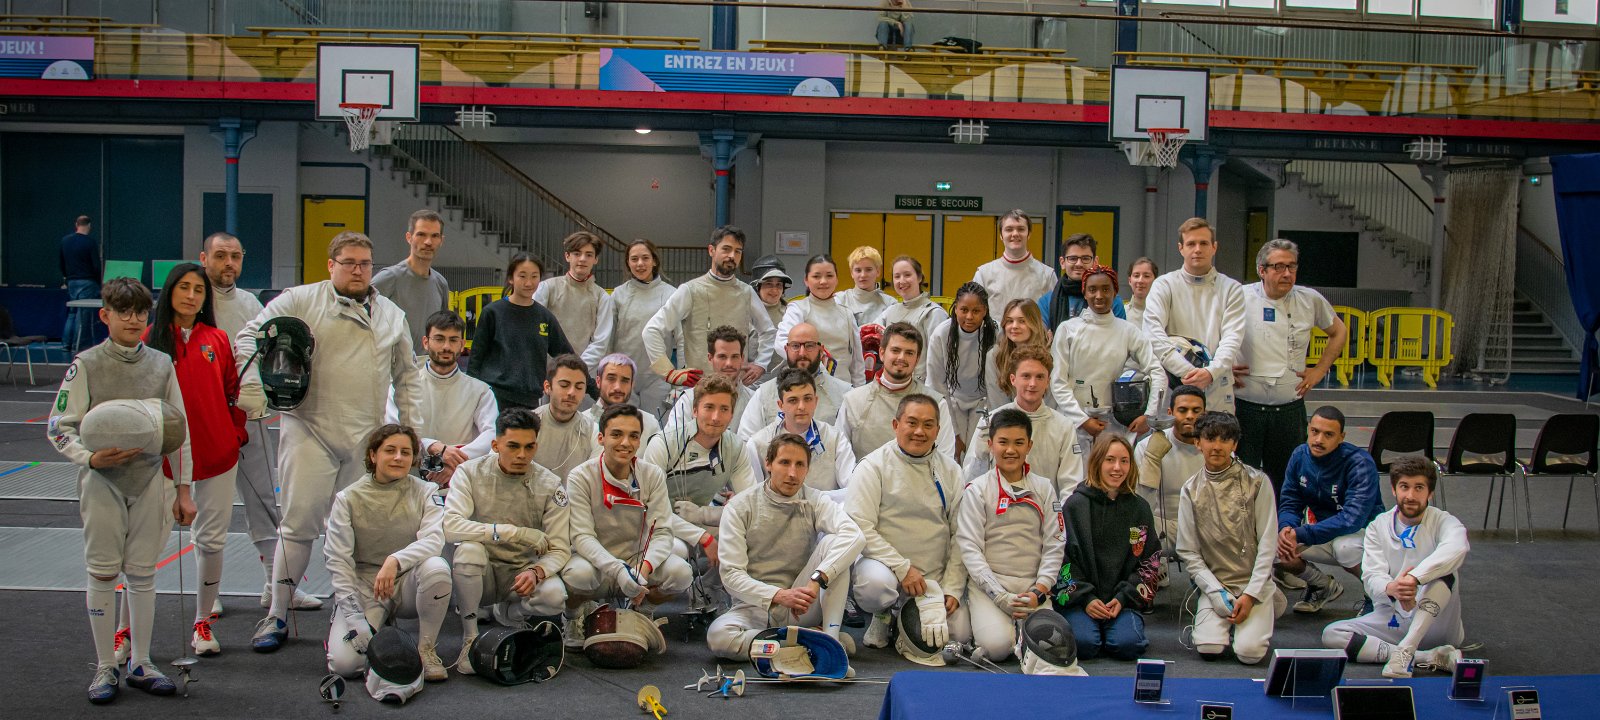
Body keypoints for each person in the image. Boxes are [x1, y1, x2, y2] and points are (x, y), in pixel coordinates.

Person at [237, 231, 423, 653]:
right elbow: (249, 337)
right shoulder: (300, 299)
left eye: (365, 263)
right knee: (297, 526)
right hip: (310, 430)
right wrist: (254, 384)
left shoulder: (391, 314)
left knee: (359, 533)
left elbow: (407, 378)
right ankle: (277, 614)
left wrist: (412, 434)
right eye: (349, 263)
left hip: (365, 440)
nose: (358, 270)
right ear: (331, 265)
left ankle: (352, 612)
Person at [51, 278, 195, 703]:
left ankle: (141, 662)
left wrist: (183, 490)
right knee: (102, 572)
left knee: (143, 572)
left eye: (140, 312)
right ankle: (104, 666)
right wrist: (89, 458)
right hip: (102, 482)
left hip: (151, 480)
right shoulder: (86, 364)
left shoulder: (161, 364)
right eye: (124, 312)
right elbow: (59, 427)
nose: (133, 320)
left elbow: (180, 431)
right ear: (106, 315)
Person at [202, 232, 320, 612]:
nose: (228, 263)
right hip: (205, 423)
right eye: (221, 255)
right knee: (209, 509)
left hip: (248, 417)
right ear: (204, 258)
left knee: (265, 502)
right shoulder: (193, 300)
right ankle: (209, 594)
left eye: (235, 256)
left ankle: (277, 587)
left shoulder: (250, 304)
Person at [143, 263, 244, 657]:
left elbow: (233, 392)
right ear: (169, 292)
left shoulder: (216, 339)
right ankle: (128, 632)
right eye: (183, 287)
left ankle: (203, 624)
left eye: (198, 290)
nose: (190, 295)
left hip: (217, 454)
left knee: (212, 540)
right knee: (147, 545)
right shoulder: (150, 340)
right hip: (163, 459)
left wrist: (234, 433)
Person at [710, 433, 866, 659]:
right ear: (768, 464)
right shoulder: (739, 507)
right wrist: (779, 595)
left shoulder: (815, 500)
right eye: (784, 462)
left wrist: (816, 581)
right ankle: (807, 642)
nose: (792, 473)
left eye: (800, 464)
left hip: (802, 605)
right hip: (755, 607)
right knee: (718, 637)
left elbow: (855, 536)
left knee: (836, 545)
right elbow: (731, 575)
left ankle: (830, 642)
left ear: (807, 469)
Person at [443, 408, 571, 675]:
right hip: (483, 573)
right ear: (495, 445)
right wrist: (515, 532)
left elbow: (560, 548)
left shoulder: (550, 484)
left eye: (529, 447)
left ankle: (511, 614)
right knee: (468, 551)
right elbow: (451, 527)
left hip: (520, 573)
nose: (521, 455)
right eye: (513, 446)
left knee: (555, 597)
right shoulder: (469, 472)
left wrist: (537, 571)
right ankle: (470, 638)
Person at [323, 425, 452, 686]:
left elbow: (433, 540)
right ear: (373, 455)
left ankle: (425, 649)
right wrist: (355, 618)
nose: (398, 458)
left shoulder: (426, 491)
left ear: (413, 458)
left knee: (437, 567)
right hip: (367, 586)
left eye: (406, 452)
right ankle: (368, 620)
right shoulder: (348, 498)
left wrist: (395, 560)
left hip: (408, 582)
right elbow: (338, 560)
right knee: (346, 665)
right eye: (390, 450)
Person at [1321, 457, 1467, 679]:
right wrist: (1393, 588)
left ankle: (1408, 647)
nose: (1410, 496)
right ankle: (1424, 656)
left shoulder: (1444, 522)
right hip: (1393, 619)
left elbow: (1457, 548)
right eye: (1404, 487)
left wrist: (1415, 579)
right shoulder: (1377, 526)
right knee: (1332, 634)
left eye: (1419, 488)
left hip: (1437, 624)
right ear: (1394, 489)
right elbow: (1371, 577)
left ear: (1430, 493)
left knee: (1445, 572)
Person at [846, 394, 971, 652]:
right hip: (887, 569)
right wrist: (903, 568)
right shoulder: (872, 466)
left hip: (932, 576)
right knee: (875, 587)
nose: (919, 431)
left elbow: (961, 534)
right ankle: (884, 614)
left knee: (959, 634)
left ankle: (906, 617)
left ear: (938, 429)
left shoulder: (951, 471)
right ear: (896, 425)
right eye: (912, 423)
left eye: (928, 425)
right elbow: (860, 527)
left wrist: (952, 588)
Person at [561, 404, 693, 647]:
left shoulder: (652, 475)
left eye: (633, 436)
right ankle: (573, 615)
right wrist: (618, 570)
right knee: (576, 575)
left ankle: (642, 609)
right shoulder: (580, 476)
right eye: (616, 434)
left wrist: (644, 568)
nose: (625, 443)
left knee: (681, 574)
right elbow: (582, 537)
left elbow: (662, 531)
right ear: (601, 438)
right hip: (596, 561)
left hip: (636, 560)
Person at [1235, 239, 1348, 489]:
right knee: (1242, 481)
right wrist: (1221, 368)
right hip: (1245, 406)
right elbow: (1212, 334)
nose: (1287, 273)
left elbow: (1339, 332)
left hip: (1288, 408)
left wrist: (1319, 370)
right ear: (1262, 270)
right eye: (1279, 267)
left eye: (1292, 266)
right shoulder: (1239, 297)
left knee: (1287, 481)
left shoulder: (1310, 299)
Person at [955, 409, 1065, 662]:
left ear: (1029, 446)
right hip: (991, 589)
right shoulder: (977, 490)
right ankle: (990, 626)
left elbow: (1055, 543)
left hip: (1032, 588)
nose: (1010, 450)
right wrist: (999, 595)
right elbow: (970, 549)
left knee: (1049, 648)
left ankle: (1022, 628)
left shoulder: (1044, 488)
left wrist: (1039, 590)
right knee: (997, 648)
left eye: (1018, 443)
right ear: (991, 444)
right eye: (1003, 442)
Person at [1177, 412, 1285, 665]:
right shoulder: (1190, 489)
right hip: (1217, 584)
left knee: (1250, 654)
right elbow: (1188, 551)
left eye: (1225, 439)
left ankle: (1269, 600)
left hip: (1253, 583)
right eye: (1210, 438)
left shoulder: (1257, 482)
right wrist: (1215, 593)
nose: (1217, 446)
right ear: (1198, 442)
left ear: (1234, 444)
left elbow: (1268, 544)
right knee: (1209, 647)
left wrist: (1250, 595)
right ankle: (1229, 616)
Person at [1051, 434, 1159, 661]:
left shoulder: (1140, 508)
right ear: (1097, 462)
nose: (1117, 468)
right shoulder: (1075, 506)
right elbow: (1062, 559)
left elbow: (1149, 563)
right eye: (1110, 460)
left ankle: (1116, 627)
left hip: (1121, 601)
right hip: (1080, 600)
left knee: (1128, 646)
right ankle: (1090, 626)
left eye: (1124, 461)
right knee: (1084, 645)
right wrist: (1086, 598)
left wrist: (1124, 597)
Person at [642, 376, 755, 573]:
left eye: (724, 409)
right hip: (655, 525)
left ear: (732, 414)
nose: (716, 417)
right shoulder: (664, 444)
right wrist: (702, 537)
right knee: (677, 551)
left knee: (750, 539)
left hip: (697, 521)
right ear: (695, 410)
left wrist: (727, 509)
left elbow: (750, 504)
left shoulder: (735, 448)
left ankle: (716, 588)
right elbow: (650, 509)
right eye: (709, 407)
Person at [1277, 406, 1384, 614]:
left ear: (1341, 437)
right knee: (1272, 548)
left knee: (1345, 548)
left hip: (1363, 534)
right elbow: (1290, 501)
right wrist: (1287, 529)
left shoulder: (1359, 463)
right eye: (1315, 431)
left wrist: (1300, 533)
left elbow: (1352, 520)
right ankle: (1322, 585)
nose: (1319, 440)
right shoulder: (1299, 456)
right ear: (1308, 429)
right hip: (1323, 531)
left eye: (1328, 435)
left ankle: (1377, 596)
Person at [643, 225, 775, 391]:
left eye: (738, 251)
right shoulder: (690, 290)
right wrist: (669, 373)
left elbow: (769, 331)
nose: (732, 256)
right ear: (711, 250)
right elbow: (651, 330)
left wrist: (761, 364)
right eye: (726, 249)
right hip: (700, 390)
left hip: (735, 390)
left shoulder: (746, 292)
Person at [1051, 265, 1164, 446]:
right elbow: (1058, 381)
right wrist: (1082, 420)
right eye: (1092, 289)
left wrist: (1149, 414)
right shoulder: (1067, 330)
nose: (1099, 295)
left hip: (1112, 425)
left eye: (1105, 289)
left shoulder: (1128, 331)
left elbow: (1157, 371)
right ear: (1084, 293)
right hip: (1071, 422)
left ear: (1115, 292)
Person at [1144, 217, 1246, 415]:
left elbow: (1232, 338)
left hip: (1216, 386)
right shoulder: (1164, 285)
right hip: (1176, 383)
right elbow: (1153, 334)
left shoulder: (1231, 288)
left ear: (1214, 247)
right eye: (1191, 244)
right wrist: (1187, 372)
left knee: (1216, 435)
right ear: (1180, 248)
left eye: (1204, 243)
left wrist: (1211, 372)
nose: (1197, 249)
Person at [393, 310, 497, 490]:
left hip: (460, 481)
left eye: (453, 340)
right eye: (439, 339)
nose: (446, 347)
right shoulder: (403, 386)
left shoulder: (481, 391)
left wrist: (454, 461)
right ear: (426, 342)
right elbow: (392, 429)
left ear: (462, 344)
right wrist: (431, 445)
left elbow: (492, 433)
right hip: (409, 477)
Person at [963, 346, 1084, 496]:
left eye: (1039, 377)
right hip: (996, 507)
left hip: (1046, 508)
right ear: (1013, 379)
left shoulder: (1063, 426)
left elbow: (1071, 484)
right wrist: (980, 459)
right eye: (1026, 376)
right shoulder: (990, 422)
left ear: (1048, 381)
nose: (1033, 384)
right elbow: (969, 482)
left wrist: (1057, 511)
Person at [468, 253, 575, 411]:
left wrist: (594, 389)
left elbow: (567, 356)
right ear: (511, 278)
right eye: (522, 276)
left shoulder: (544, 317)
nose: (528, 283)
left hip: (529, 401)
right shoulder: (492, 313)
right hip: (493, 399)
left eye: (534, 276)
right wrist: (471, 398)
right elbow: (476, 359)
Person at [836, 323, 956, 461]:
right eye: (895, 350)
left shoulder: (936, 404)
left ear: (917, 359)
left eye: (909, 353)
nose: (901, 358)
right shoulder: (853, 400)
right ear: (882, 353)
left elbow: (946, 460)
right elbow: (840, 455)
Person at [584, 239, 676, 418]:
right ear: (628, 263)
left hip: (657, 378)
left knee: (656, 429)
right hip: (623, 376)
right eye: (634, 259)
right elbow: (607, 339)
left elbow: (681, 340)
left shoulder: (671, 294)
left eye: (645, 258)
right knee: (621, 425)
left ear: (654, 261)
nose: (640, 263)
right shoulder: (618, 294)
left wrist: (678, 384)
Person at [744, 369, 856, 499]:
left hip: (824, 510)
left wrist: (814, 500)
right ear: (781, 405)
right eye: (793, 400)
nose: (801, 406)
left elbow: (852, 488)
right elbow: (753, 495)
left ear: (816, 401)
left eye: (807, 399)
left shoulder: (835, 439)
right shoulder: (758, 444)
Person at [738, 321, 853, 437]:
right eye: (795, 346)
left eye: (809, 346)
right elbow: (747, 439)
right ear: (786, 349)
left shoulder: (844, 393)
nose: (802, 353)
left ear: (821, 350)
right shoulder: (764, 394)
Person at [928, 282, 998, 460]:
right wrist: (955, 433)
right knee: (952, 455)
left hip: (984, 402)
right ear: (955, 309)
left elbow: (997, 385)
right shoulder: (941, 334)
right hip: (952, 401)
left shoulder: (996, 333)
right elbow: (936, 386)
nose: (969, 317)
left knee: (978, 456)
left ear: (985, 311)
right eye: (964, 310)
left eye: (976, 311)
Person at [1135, 385, 1207, 545]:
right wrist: (1151, 460)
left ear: (1205, 414)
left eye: (1196, 411)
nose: (1190, 416)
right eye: (1183, 410)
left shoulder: (1215, 449)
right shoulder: (1146, 447)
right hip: (1161, 528)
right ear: (1170, 413)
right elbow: (1138, 503)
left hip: (1203, 529)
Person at [777, 254, 865, 385]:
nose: (823, 281)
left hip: (844, 389)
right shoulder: (798, 309)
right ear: (806, 280)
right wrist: (813, 361)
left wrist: (858, 390)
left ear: (836, 279)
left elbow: (857, 361)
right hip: (807, 386)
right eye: (816, 276)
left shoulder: (847, 313)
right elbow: (781, 343)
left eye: (829, 276)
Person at [371, 208, 450, 352]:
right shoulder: (389, 278)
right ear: (409, 237)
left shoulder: (441, 283)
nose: (428, 242)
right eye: (421, 234)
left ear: (441, 241)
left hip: (428, 363)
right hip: (392, 364)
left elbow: (442, 330)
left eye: (434, 236)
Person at [663, 325, 755, 431]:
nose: (729, 363)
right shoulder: (689, 400)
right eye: (722, 356)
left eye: (735, 356)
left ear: (742, 358)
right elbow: (672, 438)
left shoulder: (754, 400)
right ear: (710, 358)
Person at [871, 256, 947, 383]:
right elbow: (868, 332)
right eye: (897, 276)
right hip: (891, 384)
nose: (902, 281)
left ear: (919, 277)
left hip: (920, 387)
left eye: (907, 275)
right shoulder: (891, 310)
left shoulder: (933, 313)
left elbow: (940, 360)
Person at [535, 231, 611, 354]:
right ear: (567, 256)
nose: (582, 259)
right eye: (577, 253)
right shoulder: (547, 288)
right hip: (549, 364)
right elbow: (534, 328)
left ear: (595, 259)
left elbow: (600, 342)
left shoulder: (602, 297)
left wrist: (578, 364)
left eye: (589, 255)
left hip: (583, 365)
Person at [972, 210, 1056, 314]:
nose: (1015, 234)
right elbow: (974, 313)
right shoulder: (983, 274)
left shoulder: (1047, 275)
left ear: (1029, 234)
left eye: (1021, 229)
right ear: (1001, 235)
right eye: (1009, 229)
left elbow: (1054, 315)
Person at [534, 354, 600, 484]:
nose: (572, 393)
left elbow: (593, 481)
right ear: (547, 387)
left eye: (579, 387)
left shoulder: (593, 431)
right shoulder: (526, 424)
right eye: (564, 385)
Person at [1040, 233, 1125, 330]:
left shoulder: (1112, 301)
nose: (1079, 264)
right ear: (1062, 262)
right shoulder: (1046, 302)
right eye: (1073, 259)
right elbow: (1041, 337)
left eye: (1085, 258)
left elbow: (1120, 335)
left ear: (1095, 262)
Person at [582, 353, 662, 446]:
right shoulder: (582, 423)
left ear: (632, 384)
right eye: (611, 379)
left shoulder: (649, 423)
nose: (618, 387)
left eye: (625, 381)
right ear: (598, 381)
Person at [986, 298, 1052, 411]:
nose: (1014, 326)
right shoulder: (995, 355)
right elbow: (997, 403)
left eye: (1022, 321)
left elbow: (1051, 401)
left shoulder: (1050, 355)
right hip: (1007, 418)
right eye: (1010, 321)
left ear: (1034, 323)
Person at [60, 214, 102, 354]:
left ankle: (66, 344)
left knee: (72, 313)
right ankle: (79, 346)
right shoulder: (90, 242)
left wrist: (67, 278)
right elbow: (96, 266)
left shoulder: (65, 241)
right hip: (88, 282)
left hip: (72, 281)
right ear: (89, 226)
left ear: (76, 224)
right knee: (83, 315)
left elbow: (61, 262)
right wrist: (99, 283)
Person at [839, 245, 897, 326]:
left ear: (878, 271)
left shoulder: (890, 303)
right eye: (858, 270)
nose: (863, 275)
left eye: (868, 270)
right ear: (852, 273)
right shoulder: (840, 300)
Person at [749, 254, 792, 330]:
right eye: (769, 284)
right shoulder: (745, 311)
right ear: (757, 287)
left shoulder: (791, 313)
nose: (774, 290)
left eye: (779, 284)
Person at [1124, 257, 1158, 332]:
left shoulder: (1164, 314)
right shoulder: (1121, 313)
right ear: (1130, 281)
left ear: (1155, 281)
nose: (1140, 280)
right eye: (1136, 276)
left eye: (1146, 276)